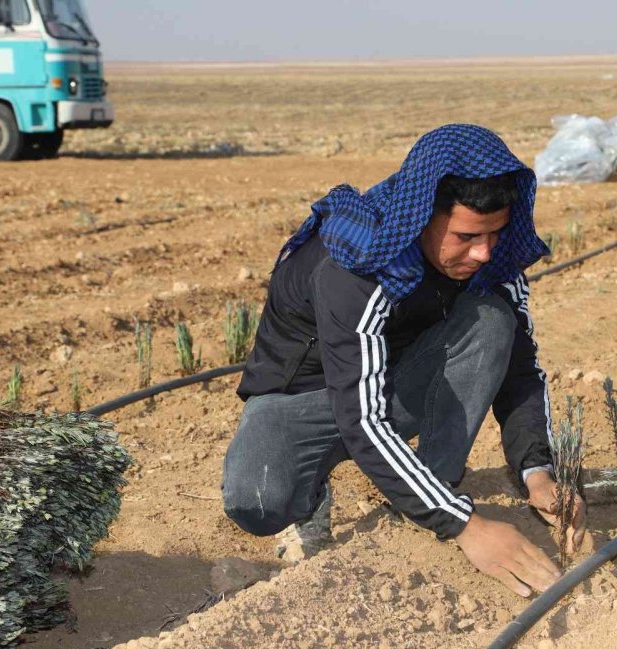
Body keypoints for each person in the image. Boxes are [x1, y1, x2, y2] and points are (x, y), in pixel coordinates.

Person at [221, 124, 586, 597]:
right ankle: (345, 495)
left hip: (393, 378)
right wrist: (466, 526)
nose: (483, 252)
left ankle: (429, 485)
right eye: (465, 235)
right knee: (257, 500)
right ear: (420, 217)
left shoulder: (491, 261)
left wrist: (537, 472)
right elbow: (362, 416)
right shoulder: (357, 263)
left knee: (494, 320)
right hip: (305, 397)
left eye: (495, 233)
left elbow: (521, 372)